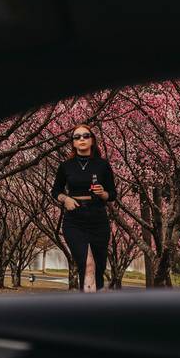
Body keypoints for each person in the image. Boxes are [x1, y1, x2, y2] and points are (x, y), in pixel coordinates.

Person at [50, 124, 117, 292]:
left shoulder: (102, 165)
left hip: (98, 218)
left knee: (98, 267)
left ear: (92, 140)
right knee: (86, 264)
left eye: (86, 136)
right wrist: (65, 199)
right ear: (73, 143)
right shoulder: (66, 166)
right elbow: (55, 191)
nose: (81, 139)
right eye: (77, 137)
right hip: (74, 219)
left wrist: (103, 194)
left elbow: (113, 194)